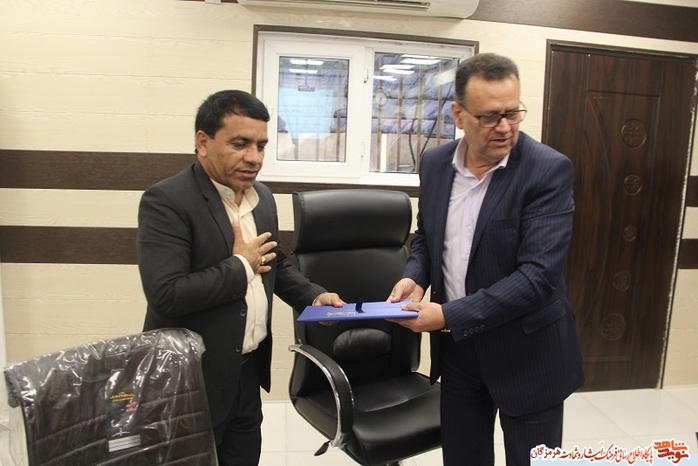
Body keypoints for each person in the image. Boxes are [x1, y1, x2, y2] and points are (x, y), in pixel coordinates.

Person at [388, 53, 585, 466]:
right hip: (459, 353)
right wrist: (414, 276)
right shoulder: (436, 164)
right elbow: (427, 237)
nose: (505, 127)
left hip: (528, 356)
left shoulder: (547, 170)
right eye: (490, 116)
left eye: (513, 113)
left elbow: (537, 277)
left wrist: (447, 314)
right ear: (458, 115)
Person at [137, 90, 344, 466]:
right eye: (240, 144)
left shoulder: (261, 197)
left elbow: (275, 263)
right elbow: (167, 294)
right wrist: (241, 264)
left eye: (261, 146)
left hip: (246, 372)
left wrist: (312, 297)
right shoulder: (167, 201)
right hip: (190, 381)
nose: (254, 157)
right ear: (203, 142)